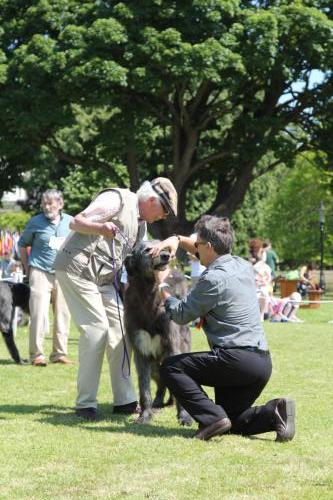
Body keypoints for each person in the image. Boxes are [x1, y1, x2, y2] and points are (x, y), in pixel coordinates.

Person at [152, 216, 296, 442]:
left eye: (198, 244)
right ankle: (275, 412)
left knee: (171, 367)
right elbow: (202, 251)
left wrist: (162, 285)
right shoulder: (242, 265)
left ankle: (210, 418)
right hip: (261, 363)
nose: (195, 249)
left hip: (235, 360)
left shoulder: (212, 279)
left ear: (208, 247)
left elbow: (180, 314)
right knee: (231, 419)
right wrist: (178, 240)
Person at [54, 178, 178, 421]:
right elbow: (77, 222)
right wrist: (100, 229)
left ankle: (125, 400)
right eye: (164, 211)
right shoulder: (119, 200)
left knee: (122, 331)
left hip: (104, 279)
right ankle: (85, 404)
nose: (163, 218)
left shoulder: (141, 226)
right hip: (76, 268)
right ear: (152, 201)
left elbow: (139, 260)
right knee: (96, 330)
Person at [18, 189, 72, 366]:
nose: (47, 207)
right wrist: (27, 268)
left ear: (60, 204)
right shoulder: (35, 222)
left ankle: (59, 354)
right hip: (40, 271)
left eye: (50, 203)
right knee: (39, 314)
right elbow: (21, 244)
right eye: (44, 203)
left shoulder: (71, 222)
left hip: (64, 273)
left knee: (63, 315)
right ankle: (37, 355)